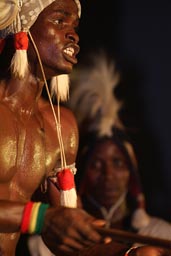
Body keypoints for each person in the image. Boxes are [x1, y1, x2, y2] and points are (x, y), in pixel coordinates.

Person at [0, 1, 114, 255]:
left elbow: (69, 235)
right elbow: (48, 219)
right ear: (24, 26)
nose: (73, 34)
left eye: (74, 25)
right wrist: (42, 217)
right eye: (59, 21)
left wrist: (129, 252)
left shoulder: (61, 127)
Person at [67, 50, 171, 255]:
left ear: (132, 171)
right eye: (96, 164)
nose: (109, 175)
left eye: (118, 163)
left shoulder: (161, 235)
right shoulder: (52, 241)